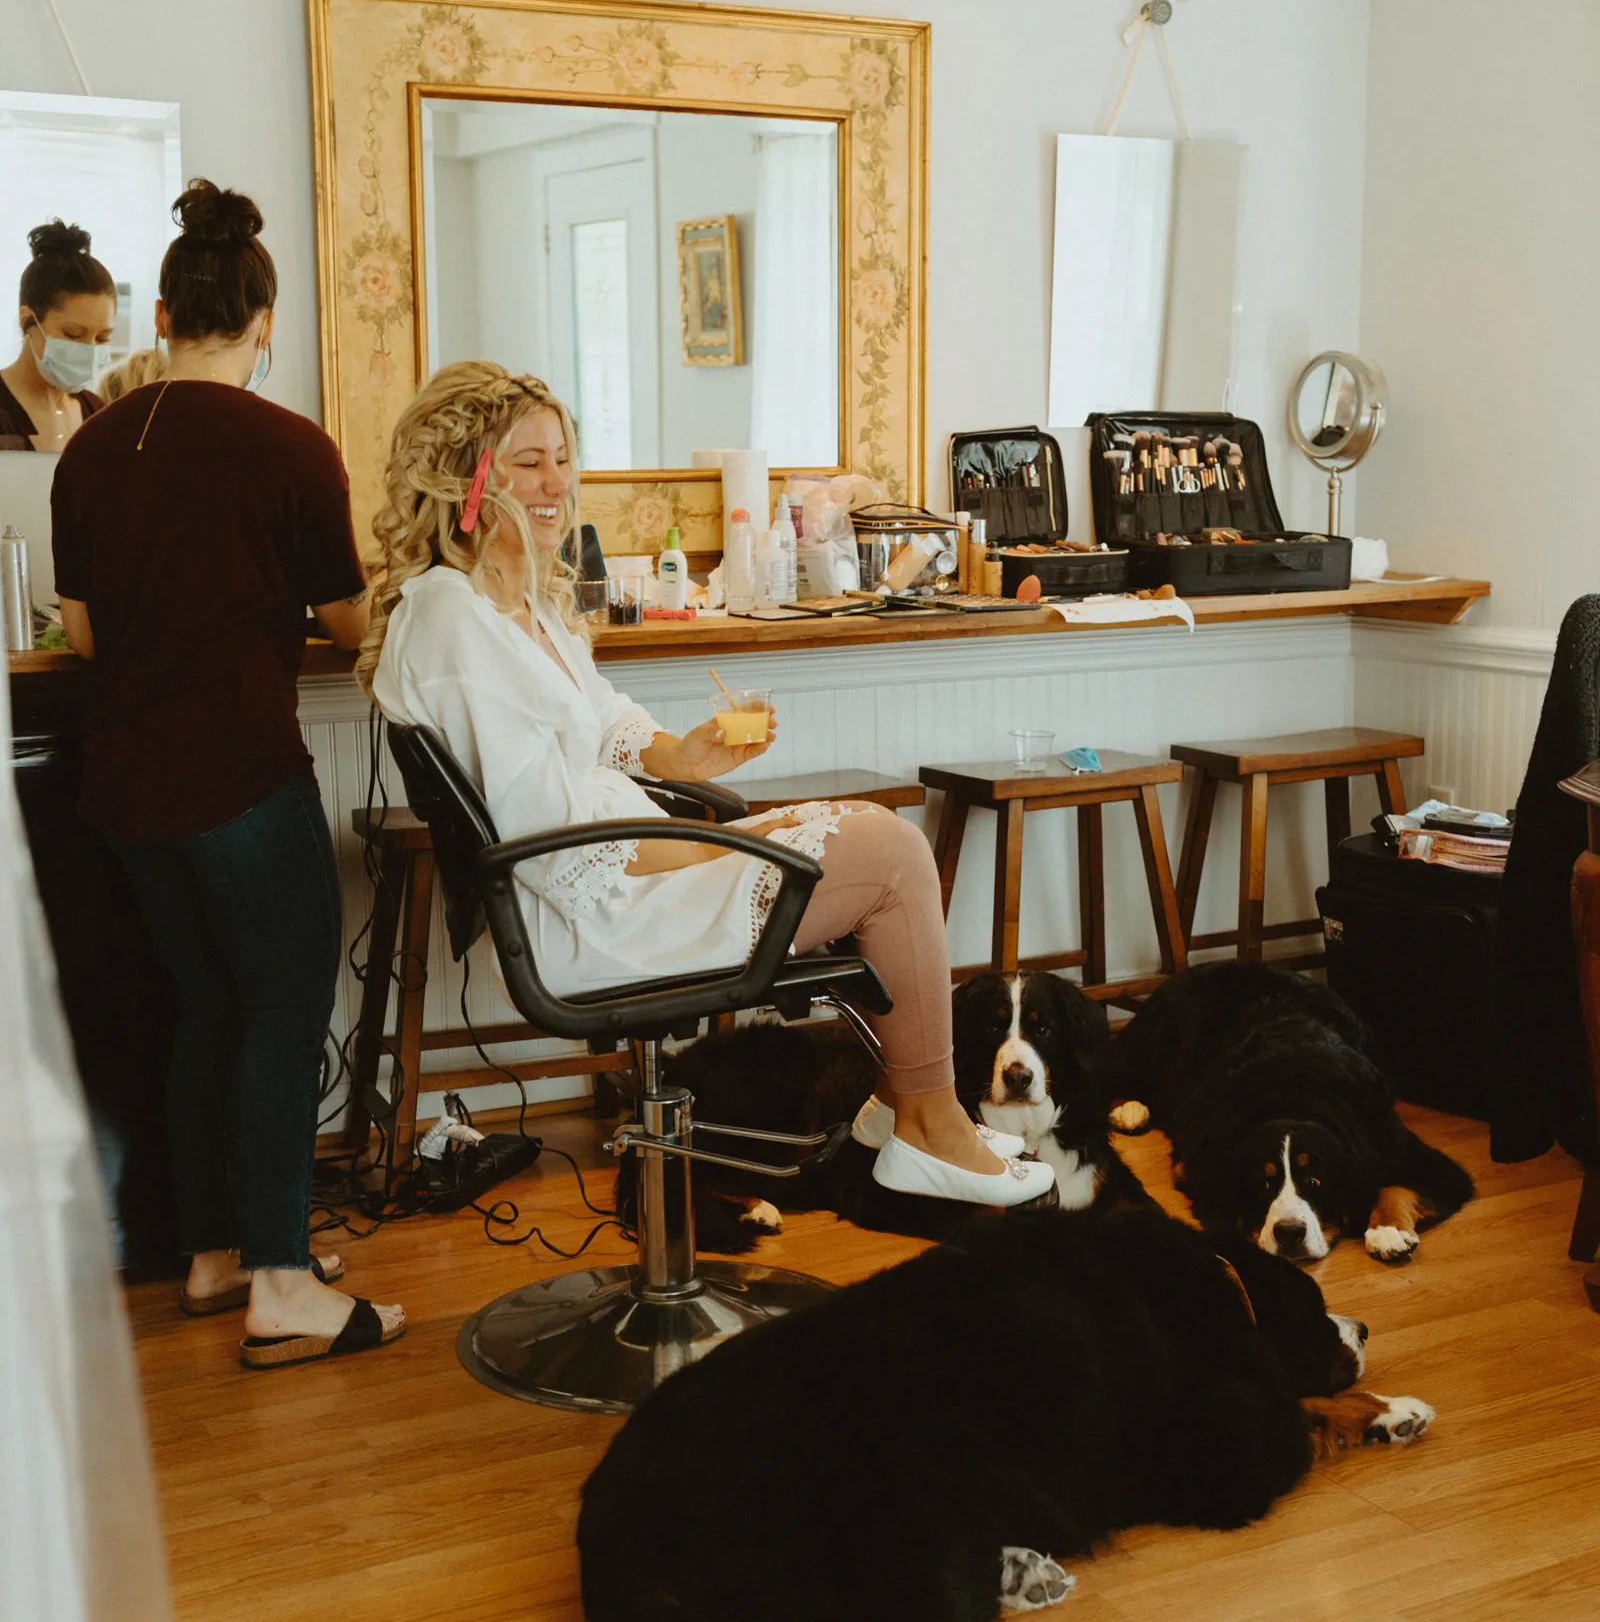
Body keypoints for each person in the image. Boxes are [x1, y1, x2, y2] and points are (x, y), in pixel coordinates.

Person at [361, 360, 1052, 1206]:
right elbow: (547, 837)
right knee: (893, 853)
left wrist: (681, 758)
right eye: (527, 461)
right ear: (469, 474)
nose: (555, 483)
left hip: (625, 879)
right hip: (596, 921)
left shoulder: (516, 604)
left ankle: (903, 1110)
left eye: (563, 457)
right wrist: (713, 849)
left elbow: (601, 716)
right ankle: (929, 1124)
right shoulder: (450, 619)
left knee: (875, 837)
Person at [50, 179, 406, 1365]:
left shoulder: (93, 446)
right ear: (263, 321)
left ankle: (213, 1252)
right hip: (240, 779)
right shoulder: (292, 449)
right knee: (283, 1006)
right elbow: (353, 630)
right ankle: (280, 1281)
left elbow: (88, 636)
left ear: (159, 314)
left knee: (204, 1007)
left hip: (122, 786)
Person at [0, 219, 115, 451]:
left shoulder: (100, 415)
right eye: (73, 334)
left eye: (102, 338)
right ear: (26, 321)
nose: (89, 350)